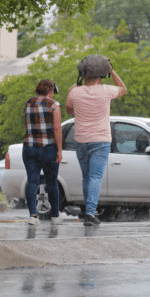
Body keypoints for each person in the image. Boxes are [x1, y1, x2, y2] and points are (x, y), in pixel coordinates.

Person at [66, 55, 127, 226]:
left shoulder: (74, 91)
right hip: (100, 140)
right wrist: (112, 69)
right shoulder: (106, 90)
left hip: (81, 140)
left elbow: (69, 110)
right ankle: (90, 213)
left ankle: (88, 211)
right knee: (95, 177)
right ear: (101, 76)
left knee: (86, 177)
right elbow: (123, 88)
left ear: (83, 75)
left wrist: (73, 90)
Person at [22, 79, 63, 226]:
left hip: (29, 148)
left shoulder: (28, 103)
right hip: (48, 148)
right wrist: (59, 149)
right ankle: (55, 216)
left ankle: (33, 216)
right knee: (51, 182)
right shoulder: (54, 105)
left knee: (32, 181)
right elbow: (57, 128)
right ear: (51, 91)